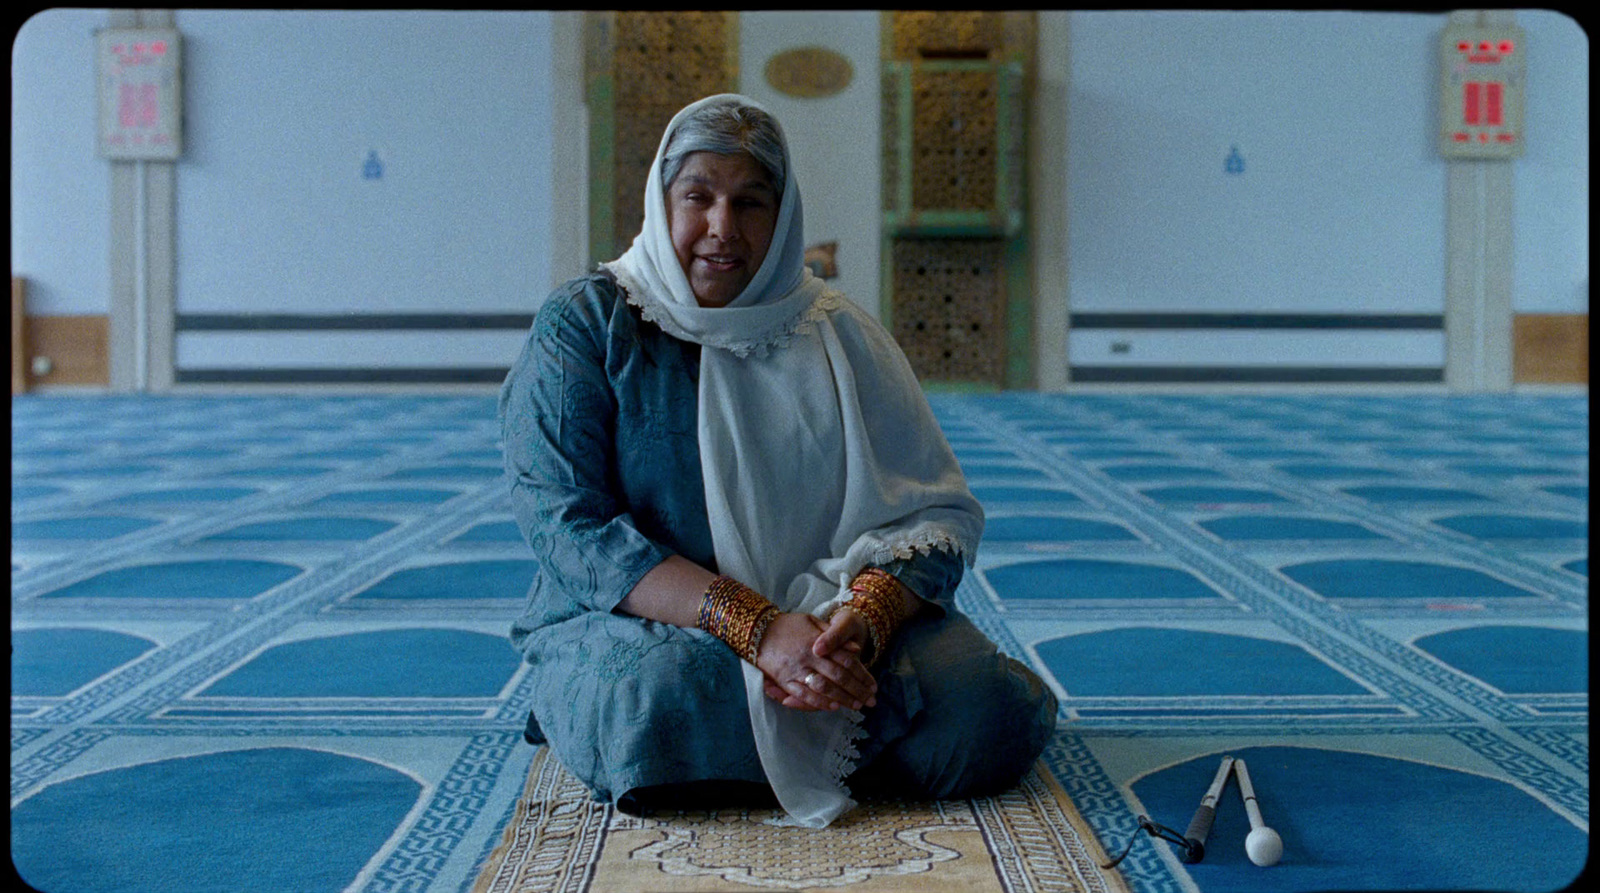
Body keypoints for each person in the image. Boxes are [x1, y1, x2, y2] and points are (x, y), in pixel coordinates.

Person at [498, 93, 1055, 827]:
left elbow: (932, 515)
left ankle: (766, 734)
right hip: (659, 628)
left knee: (988, 703)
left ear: (782, 212)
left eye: (750, 202)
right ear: (663, 200)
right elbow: (570, 528)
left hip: (829, 620)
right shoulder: (588, 324)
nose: (721, 229)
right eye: (698, 196)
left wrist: (858, 624)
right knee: (655, 700)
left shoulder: (837, 332)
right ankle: (811, 737)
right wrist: (756, 629)